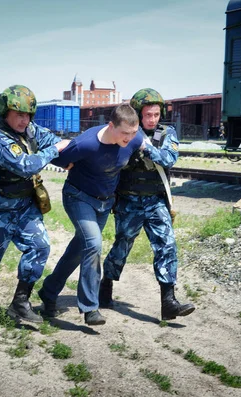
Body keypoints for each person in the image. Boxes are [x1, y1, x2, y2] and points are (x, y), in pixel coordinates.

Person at [0, 85, 70, 323]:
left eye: (28, 115)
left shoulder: (29, 130)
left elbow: (55, 141)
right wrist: (55, 150)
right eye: (19, 114)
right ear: (5, 112)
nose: (25, 120)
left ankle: (20, 302)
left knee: (40, 246)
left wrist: (71, 153)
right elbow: (25, 165)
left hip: (24, 207)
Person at [37, 103, 143, 326]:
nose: (129, 137)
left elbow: (141, 143)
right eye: (124, 132)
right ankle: (90, 307)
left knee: (79, 250)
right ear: (111, 125)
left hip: (104, 203)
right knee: (93, 244)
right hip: (78, 198)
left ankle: (48, 291)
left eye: (133, 132)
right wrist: (67, 164)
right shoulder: (86, 143)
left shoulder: (133, 138)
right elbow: (58, 158)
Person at [100, 88, 195, 321]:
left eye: (156, 114)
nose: (152, 119)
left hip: (155, 202)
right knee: (122, 246)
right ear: (137, 114)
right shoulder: (127, 131)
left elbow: (169, 158)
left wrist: (145, 146)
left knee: (167, 245)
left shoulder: (166, 133)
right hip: (128, 201)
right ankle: (106, 284)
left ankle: (168, 302)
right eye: (147, 115)